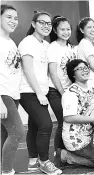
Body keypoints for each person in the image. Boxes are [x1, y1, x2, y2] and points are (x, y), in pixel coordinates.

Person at [18, 10, 62, 174]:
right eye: (42, 22)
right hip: (28, 91)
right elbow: (28, 71)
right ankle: (44, 161)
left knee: (35, 126)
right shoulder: (27, 43)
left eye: (48, 23)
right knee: (46, 125)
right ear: (33, 24)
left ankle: (33, 162)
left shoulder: (45, 45)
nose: (46, 26)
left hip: (40, 90)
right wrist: (39, 93)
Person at [54, 59, 94, 168]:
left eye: (86, 68)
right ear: (73, 74)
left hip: (93, 134)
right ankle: (65, 155)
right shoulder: (70, 93)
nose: (84, 70)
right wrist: (93, 120)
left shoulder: (93, 87)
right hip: (77, 139)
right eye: (80, 69)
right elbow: (69, 118)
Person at [0, 4, 25, 175]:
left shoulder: (11, 42)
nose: (13, 21)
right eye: (9, 17)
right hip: (3, 94)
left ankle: (3, 169)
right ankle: (7, 171)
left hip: (13, 94)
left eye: (16, 18)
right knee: (17, 132)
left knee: (5, 135)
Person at [48, 15, 77, 152]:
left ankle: (69, 152)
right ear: (55, 30)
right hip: (56, 90)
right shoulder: (52, 47)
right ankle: (58, 153)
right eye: (62, 29)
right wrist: (63, 93)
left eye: (68, 29)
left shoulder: (72, 48)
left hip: (71, 90)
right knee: (62, 122)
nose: (66, 32)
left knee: (72, 122)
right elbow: (53, 73)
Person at [77, 17, 94, 87]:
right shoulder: (85, 43)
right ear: (82, 30)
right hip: (90, 81)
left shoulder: (91, 43)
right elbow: (93, 66)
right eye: (89, 27)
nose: (93, 30)